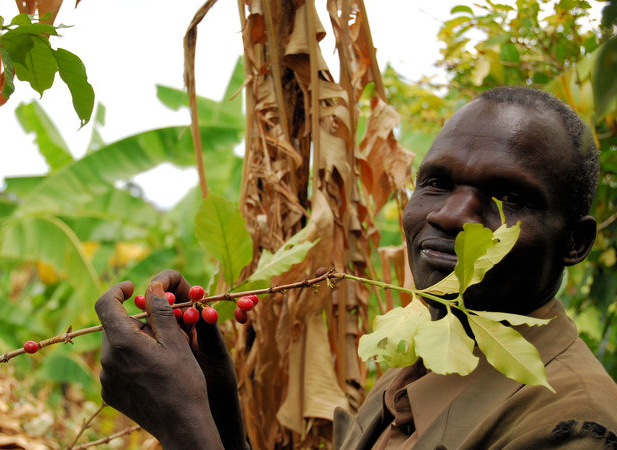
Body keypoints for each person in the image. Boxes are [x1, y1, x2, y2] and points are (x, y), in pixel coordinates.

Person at [94, 86, 617, 449]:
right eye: (435, 183)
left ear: (574, 242)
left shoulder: (574, 422)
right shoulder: (415, 369)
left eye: (505, 197)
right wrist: (214, 409)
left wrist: (185, 429)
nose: (449, 214)